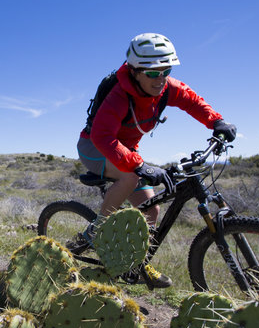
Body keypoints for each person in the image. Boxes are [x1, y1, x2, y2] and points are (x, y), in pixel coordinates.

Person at [77, 33, 237, 285]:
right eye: (152, 73)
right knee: (130, 175)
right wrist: (140, 165)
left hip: (126, 151)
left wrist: (216, 121)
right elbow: (102, 136)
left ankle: (137, 266)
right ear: (134, 71)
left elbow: (191, 100)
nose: (160, 78)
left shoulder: (165, 89)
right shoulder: (119, 95)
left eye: (166, 70)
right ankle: (97, 230)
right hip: (95, 147)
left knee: (152, 209)